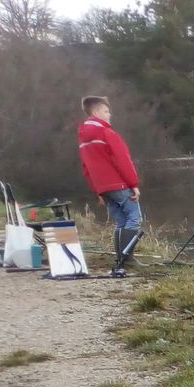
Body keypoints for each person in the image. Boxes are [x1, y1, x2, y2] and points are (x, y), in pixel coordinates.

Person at [77, 95, 142, 277]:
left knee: (121, 221)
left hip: (103, 188)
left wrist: (97, 190)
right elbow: (123, 160)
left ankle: (121, 257)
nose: (109, 115)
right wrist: (133, 184)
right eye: (106, 111)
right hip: (119, 184)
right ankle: (127, 258)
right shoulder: (107, 133)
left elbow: (86, 168)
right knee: (134, 218)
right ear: (96, 112)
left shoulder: (83, 139)